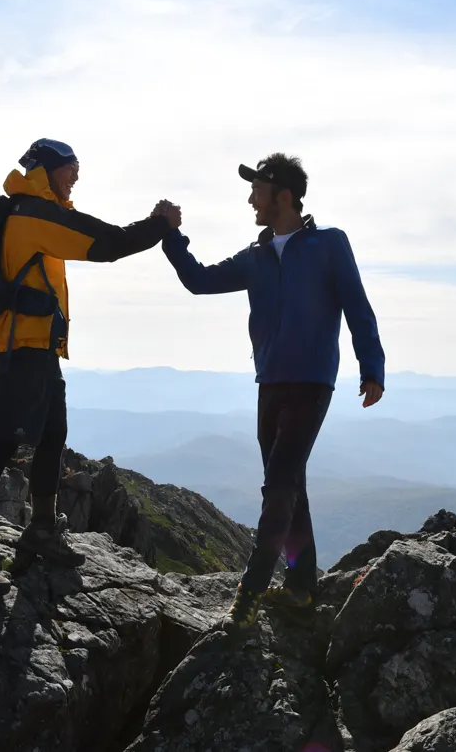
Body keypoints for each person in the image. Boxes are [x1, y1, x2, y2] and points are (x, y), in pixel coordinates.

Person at [160, 153, 385, 632]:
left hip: (311, 382)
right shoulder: (256, 257)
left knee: (278, 486)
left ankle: (250, 595)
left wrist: (373, 367)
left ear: (283, 195)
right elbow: (199, 281)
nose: (250, 199)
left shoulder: (329, 244)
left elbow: (356, 306)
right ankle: (303, 586)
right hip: (270, 382)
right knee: (290, 486)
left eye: (256, 190)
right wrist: (169, 236)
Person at [0, 138, 176, 597]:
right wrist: (158, 225)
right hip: (22, 350)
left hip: (38, 350)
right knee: (0, 446)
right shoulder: (33, 215)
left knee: (53, 437)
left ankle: (42, 529)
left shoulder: (26, 212)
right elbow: (105, 242)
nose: (75, 178)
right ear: (45, 170)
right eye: (69, 169)